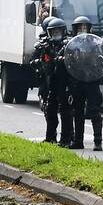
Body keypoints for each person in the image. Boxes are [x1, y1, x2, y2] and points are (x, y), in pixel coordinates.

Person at [66, 16, 103, 152]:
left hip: (91, 80)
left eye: (85, 27)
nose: (82, 30)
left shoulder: (95, 44)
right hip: (77, 81)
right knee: (77, 112)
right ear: (75, 29)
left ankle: (98, 141)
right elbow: (66, 60)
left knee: (94, 111)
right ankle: (78, 141)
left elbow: (102, 59)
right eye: (80, 27)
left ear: (89, 28)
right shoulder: (71, 44)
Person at [33, 16, 72, 146]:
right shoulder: (46, 46)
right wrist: (43, 61)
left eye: (58, 32)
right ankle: (50, 137)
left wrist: (62, 60)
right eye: (53, 32)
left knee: (65, 111)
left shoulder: (68, 45)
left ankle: (66, 139)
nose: (56, 35)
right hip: (51, 81)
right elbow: (41, 61)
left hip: (64, 81)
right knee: (50, 110)